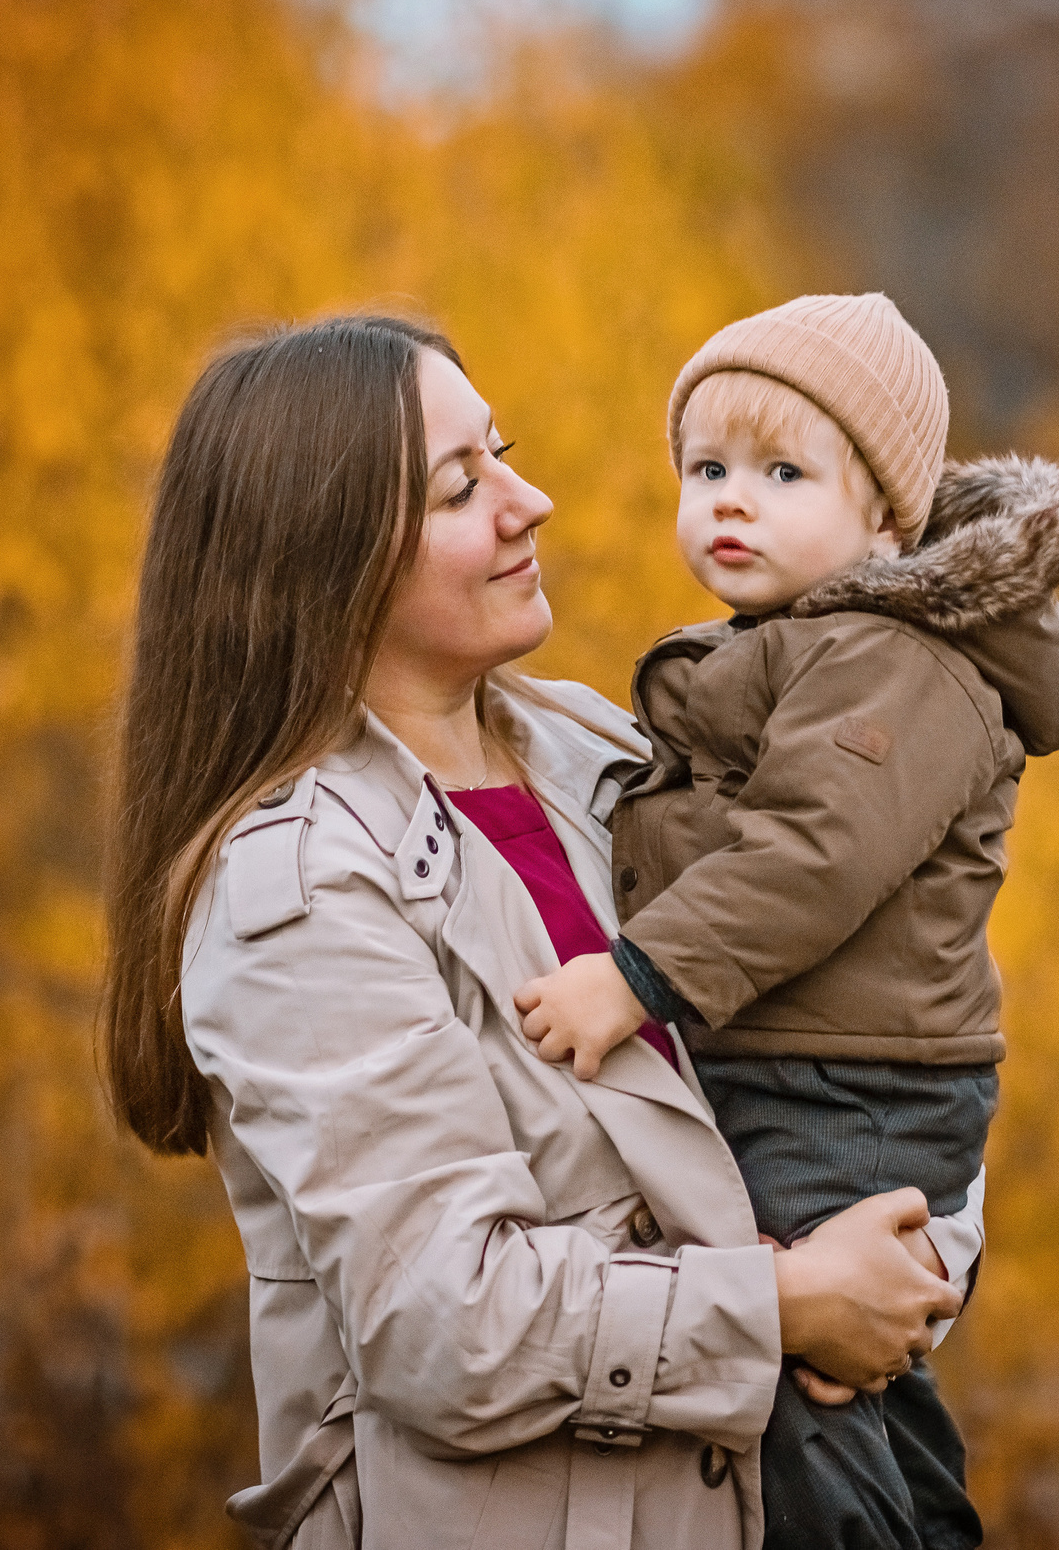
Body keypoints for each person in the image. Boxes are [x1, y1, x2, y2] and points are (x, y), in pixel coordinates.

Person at [98, 312, 978, 1550]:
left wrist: (919, 1255)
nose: (532, 502)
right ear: (324, 557)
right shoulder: (294, 888)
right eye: (463, 488)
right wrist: (785, 1304)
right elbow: (443, 1321)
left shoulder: (601, 749)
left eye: (501, 454)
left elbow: (879, 1008)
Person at [515, 293, 1059, 1550]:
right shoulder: (805, 642)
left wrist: (635, 977)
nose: (733, 501)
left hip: (851, 1085)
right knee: (857, 1384)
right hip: (818, 1064)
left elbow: (815, 853)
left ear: (887, 520)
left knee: (797, 1372)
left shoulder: (893, 656)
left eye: (783, 475)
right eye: (708, 470)